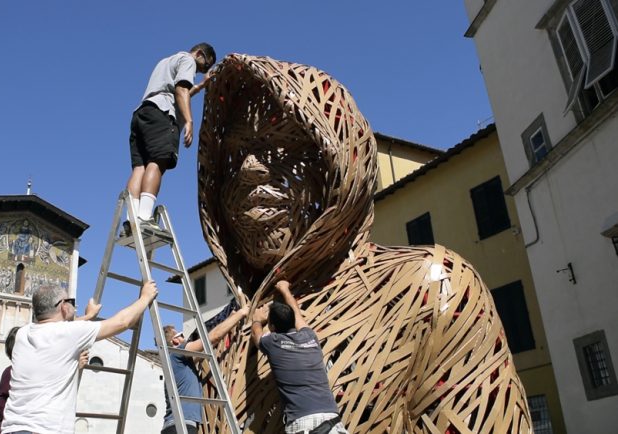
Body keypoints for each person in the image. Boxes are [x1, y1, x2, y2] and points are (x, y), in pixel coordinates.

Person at [196, 54, 530, 432]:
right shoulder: (217, 338)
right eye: (235, 155)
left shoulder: (429, 288)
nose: (249, 169)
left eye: (284, 148)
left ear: (340, 167)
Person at [1, 281, 158, 434]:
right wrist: (145, 297)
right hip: (44, 429)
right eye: (70, 301)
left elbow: (57, 329)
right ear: (62, 306)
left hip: (12, 428)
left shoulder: (22, 334)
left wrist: (88, 316)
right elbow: (123, 322)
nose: (73, 305)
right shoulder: (69, 333)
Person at [126, 42, 216, 231]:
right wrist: (189, 121)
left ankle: (131, 219)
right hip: (162, 113)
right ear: (199, 53)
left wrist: (200, 86)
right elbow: (181, 91)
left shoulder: (166, 61)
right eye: (204, 66)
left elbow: (179, 90)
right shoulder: (188, 60)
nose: (201, 70)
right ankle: (143, 217)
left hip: (142, 113)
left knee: (139, 168)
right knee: (158, 162)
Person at [251, 281, 347, 434]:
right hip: (331, 419)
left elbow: (256, 336)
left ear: (272, 328)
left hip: (303, 423)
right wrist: (285, 289)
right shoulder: (309, 336)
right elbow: (297, 314)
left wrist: (256, 319)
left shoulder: (273, 343)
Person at [161, 301, 249, 434]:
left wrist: (231, 318)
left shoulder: (177, 362)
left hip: (177, 425)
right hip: (180, 426)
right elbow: (213, 338)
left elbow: (208, 347)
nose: (185, 339)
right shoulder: (178, 353)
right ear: (175, 341)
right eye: (181, 336)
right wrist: (242, 312)